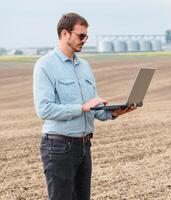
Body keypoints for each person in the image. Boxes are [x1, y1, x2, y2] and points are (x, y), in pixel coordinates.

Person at [33, 12, 136, 200]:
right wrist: (81, 107)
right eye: (81, 36)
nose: (84, 40)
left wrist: (116, 112)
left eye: (86, 36)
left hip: (84, 146)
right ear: (65, 34)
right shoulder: (45, 65)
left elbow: (93, 108)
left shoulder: (85, 67)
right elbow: (44, 109)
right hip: (58, 147)